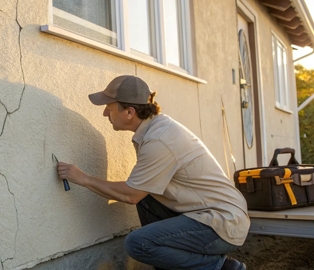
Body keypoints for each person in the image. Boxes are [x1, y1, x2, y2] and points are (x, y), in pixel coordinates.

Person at [57, 75, 249, 270]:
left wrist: (82, 178)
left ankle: (222, 267)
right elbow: (136, 192)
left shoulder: (159, 139)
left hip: (223, 223)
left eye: (110, 107)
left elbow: (130, 195)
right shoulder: (154, 129)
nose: (105, 113)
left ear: (130, 112)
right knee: (146, 196)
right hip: (211, 216)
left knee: (138, 243)